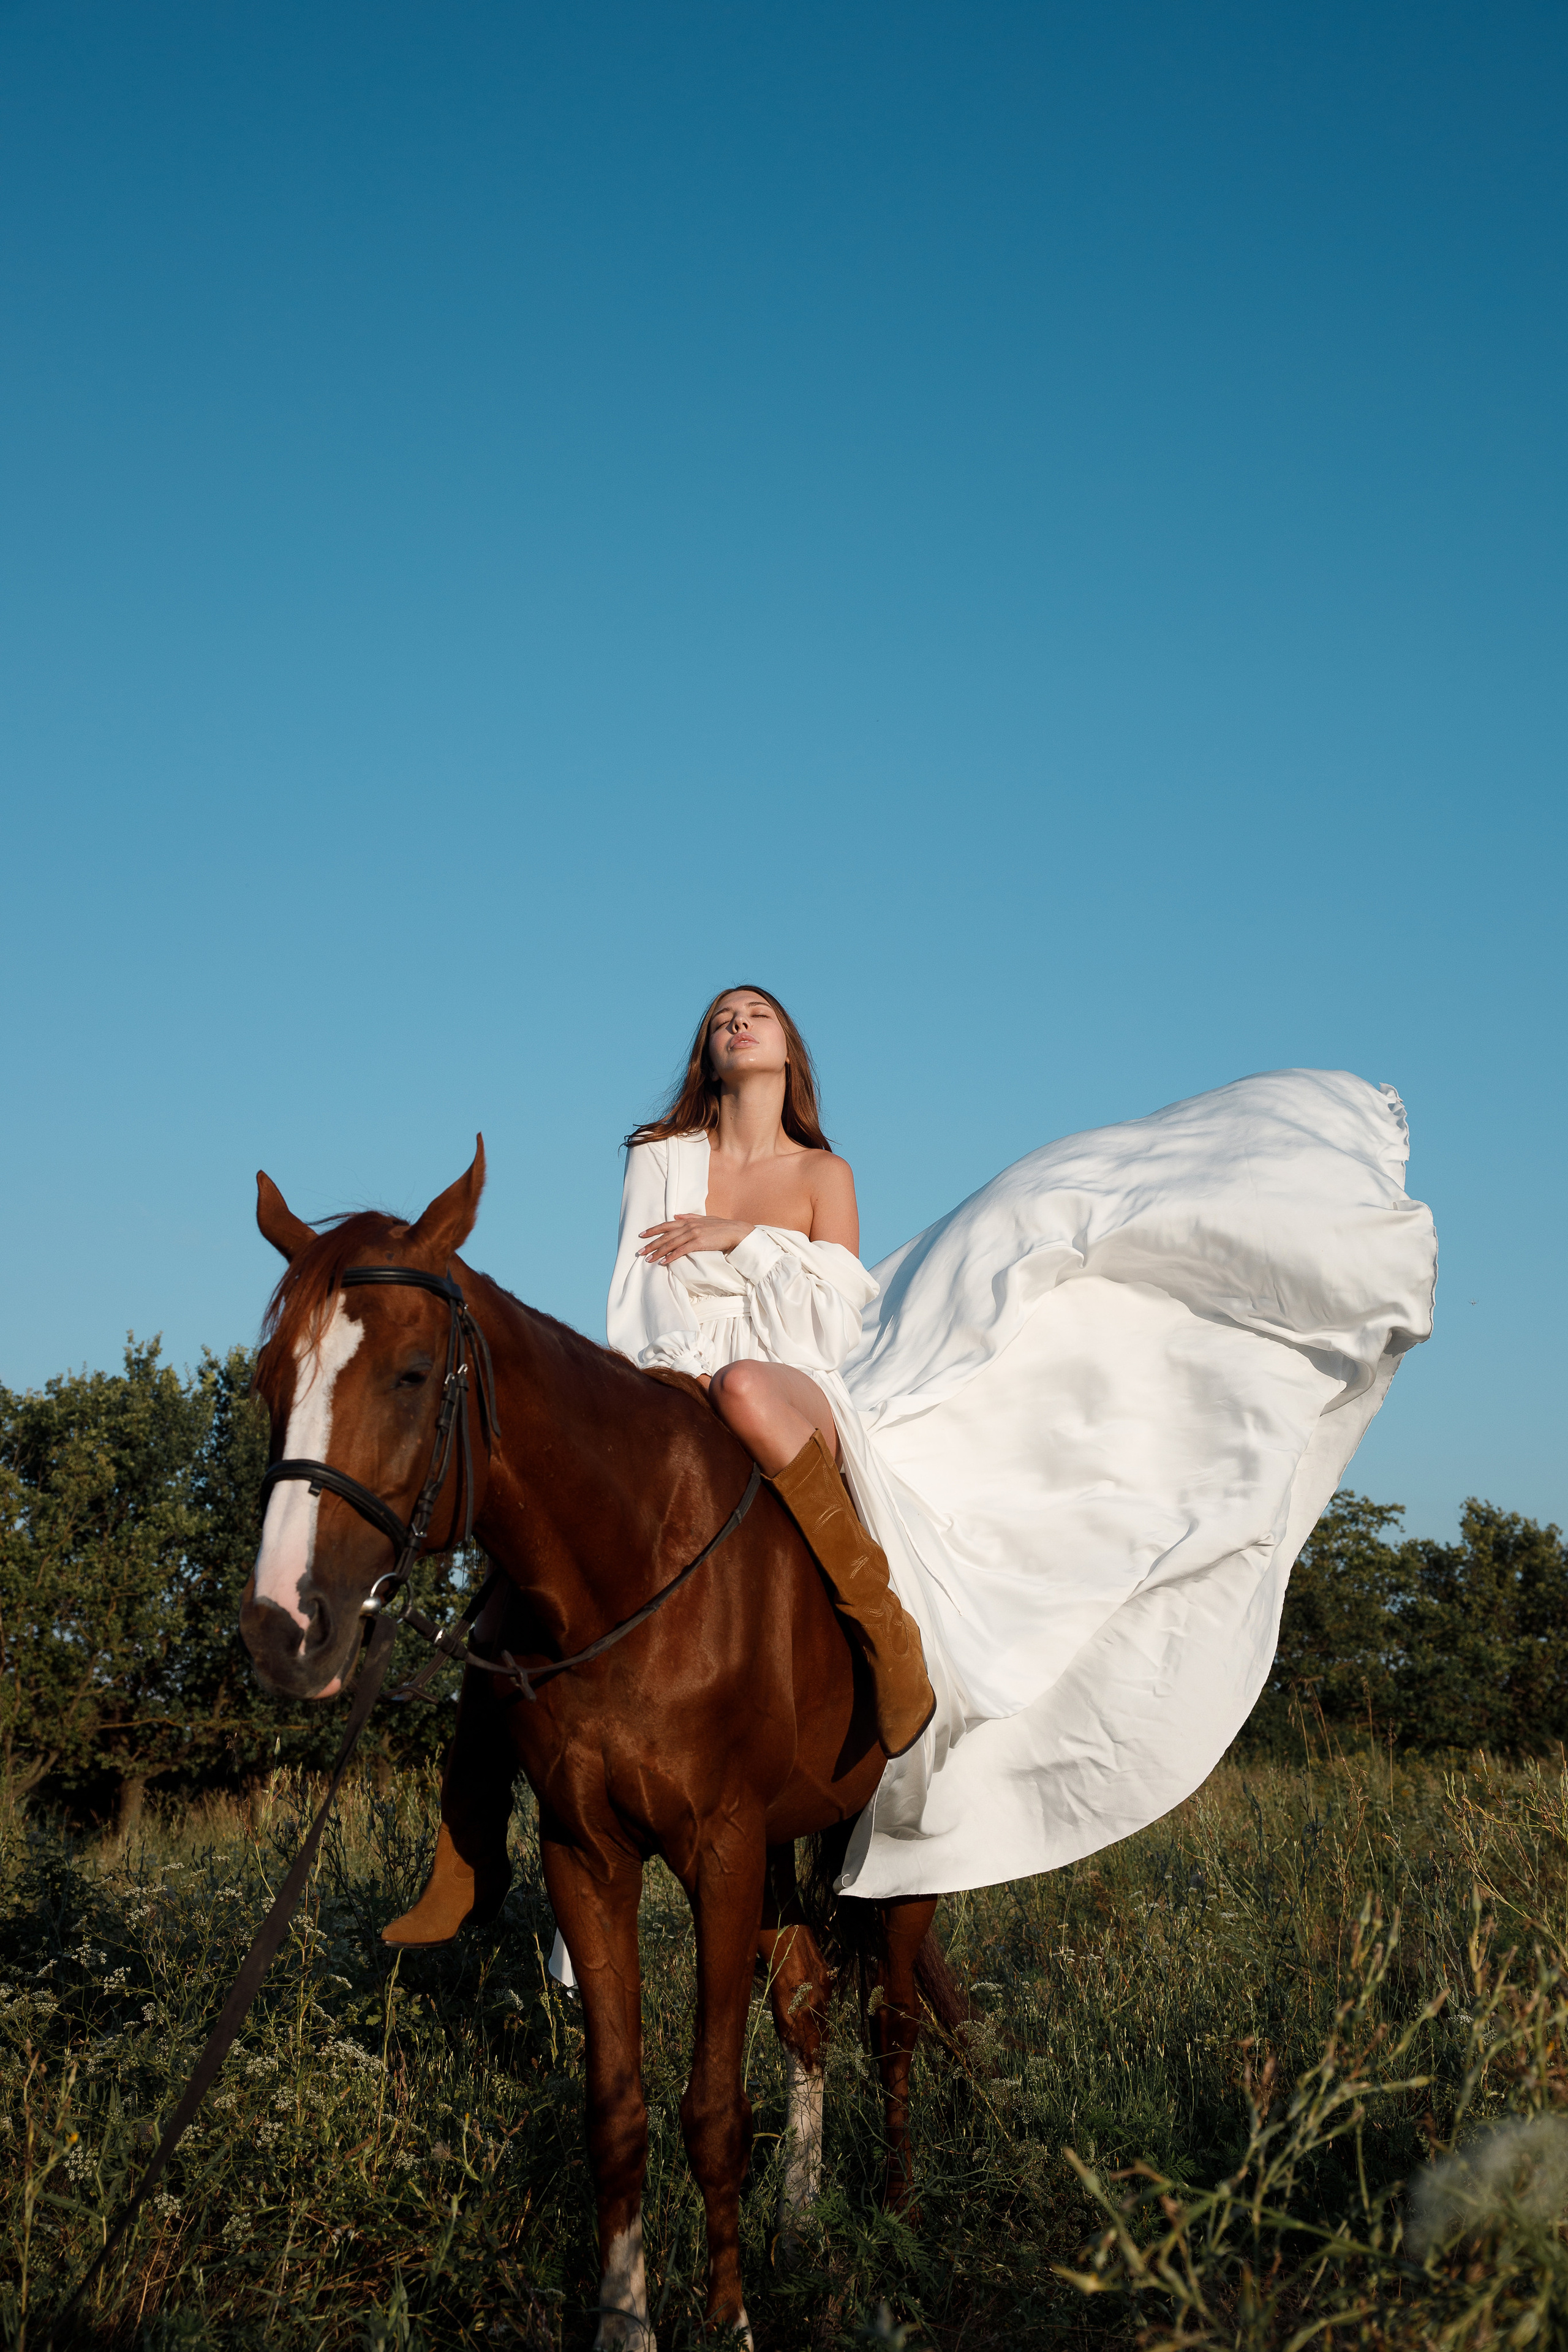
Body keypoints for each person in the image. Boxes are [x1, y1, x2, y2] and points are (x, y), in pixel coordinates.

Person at [385, 987, 1437, 1948]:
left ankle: (885, 1632)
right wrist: (663, 1381)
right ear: (707, 1054)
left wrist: (741, 1239)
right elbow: (638, 1284)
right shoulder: (659, 1156)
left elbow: (836, 1313)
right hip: (668, 1376)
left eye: (757, 1015)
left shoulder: (822, 1176)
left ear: (789, 1053)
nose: (737, 1023)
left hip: (791, 1379)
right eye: (721, 1019)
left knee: (748, 1389)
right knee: (540, 1546)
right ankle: (466, 1850)